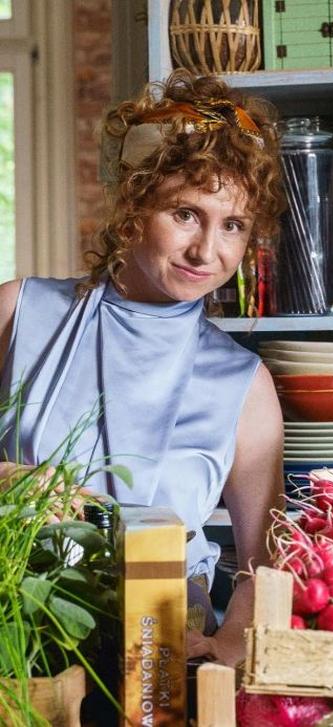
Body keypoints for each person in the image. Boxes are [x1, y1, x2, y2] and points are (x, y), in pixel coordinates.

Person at [0, 70, 285, 666]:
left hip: (159, 666)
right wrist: (10, 480)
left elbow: (264, 563)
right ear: (133, 203)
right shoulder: (18, 312)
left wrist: (224, 649)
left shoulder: (243, 385)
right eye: (185, 213)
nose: (207, 251)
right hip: (14, 652)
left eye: (232, 225)